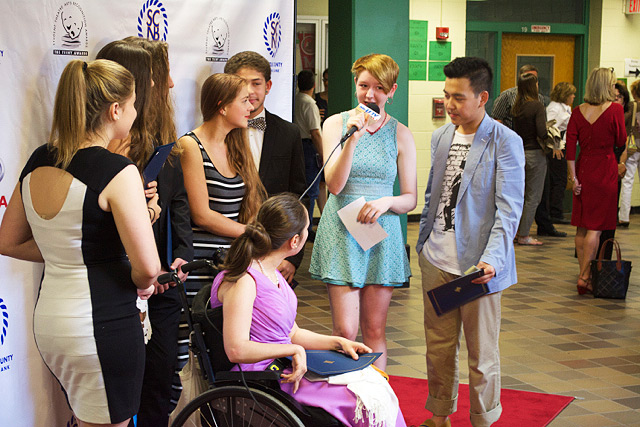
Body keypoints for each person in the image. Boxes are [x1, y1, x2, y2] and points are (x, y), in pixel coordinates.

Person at [0, 59, 161, 427]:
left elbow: (7, 241)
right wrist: (144, 282)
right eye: (134, 103)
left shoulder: (39, 159)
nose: (136, 112)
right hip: (102, 326)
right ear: (115, 110)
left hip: (53, 324)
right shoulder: (119, 171)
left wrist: (69, 252)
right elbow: (149, 267)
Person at [211, 193, 407, 427]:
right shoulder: (245, 281)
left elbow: (292, 333)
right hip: (264, 374)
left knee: (376, 384)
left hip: (283, 362)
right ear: (295, 242)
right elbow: (236, 349)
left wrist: (338, 342)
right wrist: (293, 349)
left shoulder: (271, 272)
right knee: (363, 402)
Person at [416, 57, 525, 427]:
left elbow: (508, 209)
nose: (449, 105)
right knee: (439, 347)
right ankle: (439, 414)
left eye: (458, 98)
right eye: (446, 96)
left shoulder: (505, 141)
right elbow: (434, 196)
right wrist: (423, 245)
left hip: (478, 267)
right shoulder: (441, 135)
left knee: (482, 354)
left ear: (482, 97)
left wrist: (492, 258)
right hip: (436, 259)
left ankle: (483, 418)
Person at [309, 53, 417, 370]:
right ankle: (345, 406)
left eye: (379, 88)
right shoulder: (335, 124)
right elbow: (335, 185)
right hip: (343, 228)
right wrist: (352, 140)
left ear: (392, 90)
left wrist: (387, 202)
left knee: (374, 330)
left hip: (380, 232)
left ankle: (376, 408)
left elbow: (410, 198)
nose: (370, 95)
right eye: (363, 85)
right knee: (344, 331)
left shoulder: (401, 133)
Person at [124, 37, 194, 427]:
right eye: (162, 74)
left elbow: (178, 202)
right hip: (129, 286)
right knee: (125, 389)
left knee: (163, 374)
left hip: (167, 283)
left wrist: (180, 254)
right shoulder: (116, 148)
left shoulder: (167, 136)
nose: (171, 84)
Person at [224, 51, 306, 284]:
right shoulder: (218, 133)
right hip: (226, 244)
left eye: (256, 83)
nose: (250, 91)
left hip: (275, 250)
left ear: (268, 86)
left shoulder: (288, 133)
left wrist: (292, 257)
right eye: (242, 83)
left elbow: (299, 196)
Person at [566, 67, 626, 294]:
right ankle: (584, 276)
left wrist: (573, 177)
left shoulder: (577, 111)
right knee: (596, 228)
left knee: (582, 227)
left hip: (584, 168)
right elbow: (620, 139)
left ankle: (584, 274)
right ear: (605, 86)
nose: (614, 88)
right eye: (612, 84)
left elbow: (570, 147)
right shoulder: (615, 110)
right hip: (605, 168)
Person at [511, 73, 549, 245]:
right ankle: (524, 234)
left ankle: (515, 232)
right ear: (534, 86)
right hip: (535, 154)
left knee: (518, 195)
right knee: (533, 197)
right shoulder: (537, 106)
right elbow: (541, 131)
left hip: (519, 154)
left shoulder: (517, 106)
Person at [294, 69, 323, 235]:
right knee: (311, 191)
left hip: (297, 145)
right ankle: (308, 227)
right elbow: (315, 133)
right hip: (308, 146)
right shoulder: (310, 103)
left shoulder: (295, 99)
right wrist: (324, 155)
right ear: (313, 85)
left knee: (300, 189)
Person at [545, 82, 576, 223]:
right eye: (571, 94)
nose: (574, 96)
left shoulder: (566, 108)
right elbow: (550, 127)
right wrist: (556, 146)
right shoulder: (554, 108)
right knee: (559, 180)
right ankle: (555, 212)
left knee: (560, 179)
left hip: (563, 146)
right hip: (555, 149)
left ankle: (555, 211)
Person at [491, 64, 547, 129]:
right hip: (511, 135)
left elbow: (543, 121)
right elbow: (497, 119)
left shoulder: (540, 98)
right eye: (527, 78)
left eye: (534, 79)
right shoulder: (507, 95)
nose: (531, 81)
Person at [618, 80, 640, 228]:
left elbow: (625, 120)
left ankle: (624, 216)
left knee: (628, 181)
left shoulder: (633, 105)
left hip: (633, 145)